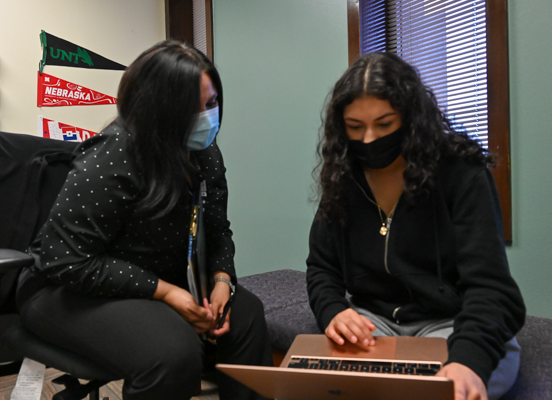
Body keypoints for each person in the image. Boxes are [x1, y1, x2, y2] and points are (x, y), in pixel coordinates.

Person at [16, 40, 273, 400]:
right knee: (171, 352)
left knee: (245, 316)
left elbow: (217, 231)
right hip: (65, 289)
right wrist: (167, 292)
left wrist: (222, 281)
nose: (207, 117)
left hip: (156, 282)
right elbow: (65, 261)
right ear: (156, 108)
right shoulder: (114, 154)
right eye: (190, 108)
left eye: (212, 104)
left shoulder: (204, 153)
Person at [306, 52, 525, 400]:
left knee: (430, 392)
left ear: (411, 118)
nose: (368, 140)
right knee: (321, 387)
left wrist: (468, 361)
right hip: (373, 322)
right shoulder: (343, 177)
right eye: (354, 127)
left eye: (384, 124)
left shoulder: (462, 173)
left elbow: (491, 289)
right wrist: (334, 311)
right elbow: (321, 267)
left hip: (454, 323)